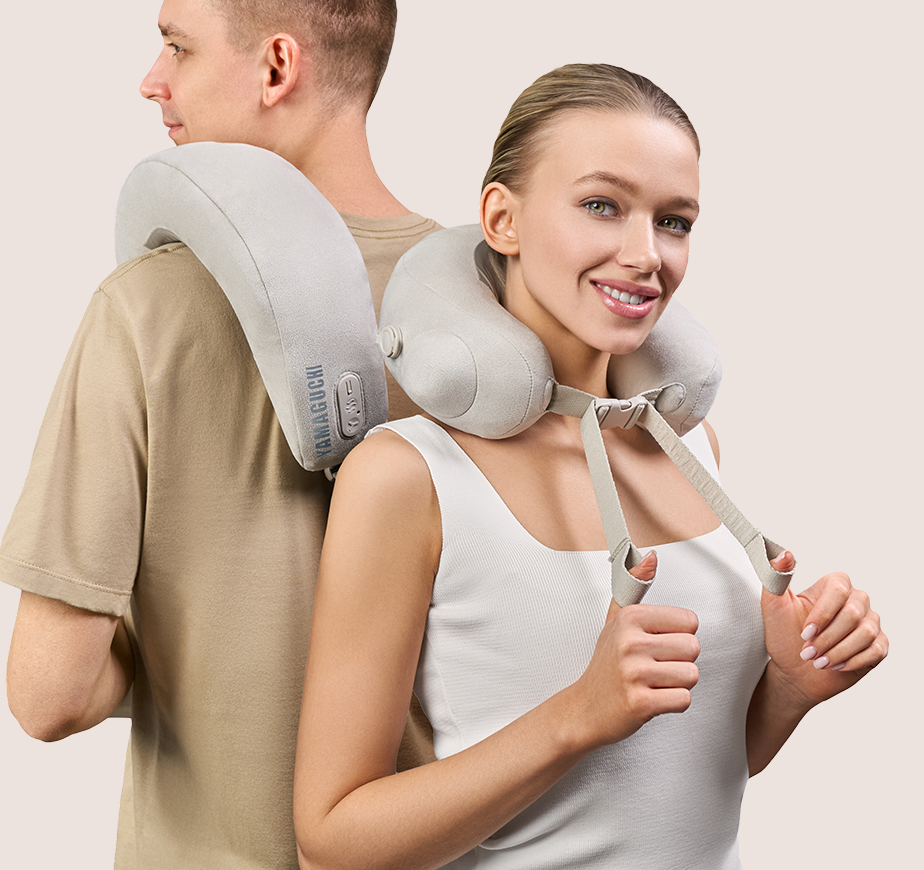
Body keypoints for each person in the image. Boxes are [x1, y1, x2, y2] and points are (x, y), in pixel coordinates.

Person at [292, 64, 888, 869]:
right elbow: (332, 840)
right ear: (502, 219)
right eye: (602, 205)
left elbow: (694, 771)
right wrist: (575, 717)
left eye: (673, 222)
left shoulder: (693, 450)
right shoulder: (409, 475)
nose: (646, 255)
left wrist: (791, 685)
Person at [0, 0, 437, 870]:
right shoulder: (508, 305)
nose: (151, 80)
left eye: (178, 46)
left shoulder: (144, 308)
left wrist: (178, 654)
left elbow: (48, 692)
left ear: (277, 65)